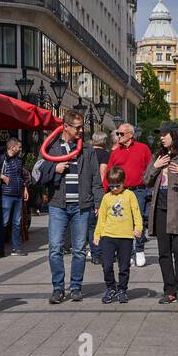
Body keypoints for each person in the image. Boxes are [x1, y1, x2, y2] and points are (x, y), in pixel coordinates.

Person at [34, 107, 103, 303]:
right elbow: (36, 174)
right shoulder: (51, 147)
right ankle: (58, 288)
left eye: (82, 128)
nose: (81, 131)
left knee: (80, 249)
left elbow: (95, 177)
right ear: (66, 127)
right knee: (55, 247)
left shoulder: (87, 150)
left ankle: (75, 287)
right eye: (77, 128)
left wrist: (99, 202)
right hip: (58, 205)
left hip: (81, 206)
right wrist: (55, 168)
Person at [142, 121, 178, 304]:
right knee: (164, 252)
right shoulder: (158, 156)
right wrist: (156, 166)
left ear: (174, 135)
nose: (161, 137)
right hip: (160, 208)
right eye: (160, 134)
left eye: (164, 134)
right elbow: (145, 180)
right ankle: (169, 290)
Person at [92, 165, 143, 304]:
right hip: (108, 236)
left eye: (117, 186)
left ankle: (122, 290)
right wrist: (97, 235)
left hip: (125, 237)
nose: (114, 189)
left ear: (124, 182)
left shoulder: (130, 195)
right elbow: (101, 218)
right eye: (111, 186)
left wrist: (138, 227)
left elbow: (136, 213)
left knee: (124, 266)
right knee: (107, 265)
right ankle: (110, 288)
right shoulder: (106, 198)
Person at [107, 122, 153, 267]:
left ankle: (139, 249)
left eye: (121, 134)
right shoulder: (115, 152)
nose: (118, 136)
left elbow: (150, 169)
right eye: (117, 134)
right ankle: (129, 253)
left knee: (137, 220)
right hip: (120, 191)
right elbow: (109, 172)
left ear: (131, 135)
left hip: (139, 190)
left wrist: (150, 187)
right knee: (123, 221)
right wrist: (105, 191)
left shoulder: (143, 148)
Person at [0, 136, 27, 257]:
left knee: (17, 222)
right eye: (19, 146)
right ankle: (0, 249)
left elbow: (22, 175)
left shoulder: (19, 160)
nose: (21, 149)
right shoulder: (1, 159)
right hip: (6, 194)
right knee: (4, 222)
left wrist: (25, 188)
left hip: (17, 195)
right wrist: (1, 176)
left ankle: (15, 248)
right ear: (12, 147)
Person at [89, 131, 111, 265]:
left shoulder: (87, 153)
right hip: (98, 190)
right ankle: (100, 252)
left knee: (91, 225)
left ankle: (94, 252)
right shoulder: (104, 154)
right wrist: (101, 193)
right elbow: (102, 173)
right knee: (101, 222)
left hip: (87, 190)